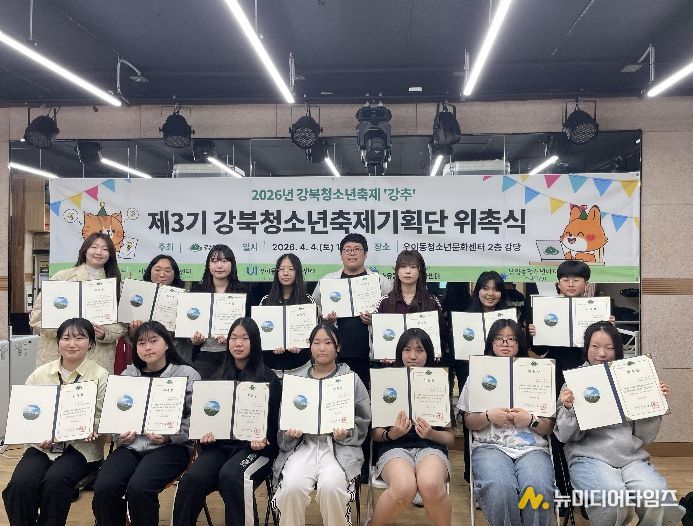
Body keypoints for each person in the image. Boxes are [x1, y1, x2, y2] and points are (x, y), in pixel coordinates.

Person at [554, 321, 685, 526]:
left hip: (630, 457)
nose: (601, 353)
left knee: (658, 497)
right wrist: (569, 408)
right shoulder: (574, 381)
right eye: (595, 346)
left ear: (618, 350)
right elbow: (563, 435)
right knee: (613, 500)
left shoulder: (631, 377)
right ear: (586, 348)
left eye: (609, 347)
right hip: (589, 457)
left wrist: (653, 401)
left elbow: (645, 436)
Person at [172, 318, 281, 526]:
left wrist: (264, 439)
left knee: (232, 476)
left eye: (244, 338)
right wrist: (205, 437)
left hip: (255, 450)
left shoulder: (269, 379)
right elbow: (208, 419)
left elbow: (275, 426)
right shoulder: (217, 377)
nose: (238, 343)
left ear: (255, 342)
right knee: (191, 479)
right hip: (220, 447)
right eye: (233, 338)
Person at [91, 321, 199, 526]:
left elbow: (196, 420)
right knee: (104, 487)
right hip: (131, 446)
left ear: (167, 344)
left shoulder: (187, 374)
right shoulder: (128, 375)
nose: (147, 347)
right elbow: (115, 416)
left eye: (153, 341)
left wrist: (170, 436)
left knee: (139, 488)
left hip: (170, 447)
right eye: (141, 343)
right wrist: (120, 434)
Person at [3, 318, 109, 526]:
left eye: (79, 338)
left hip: (81, 447)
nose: (72, 344)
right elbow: (25, 414)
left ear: (91, 343)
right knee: (20, 485)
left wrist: (91, 427)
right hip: (42, 445)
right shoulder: (41, 374)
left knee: (55, 482)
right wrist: (37, 435)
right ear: (58, 342)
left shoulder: (100, 375)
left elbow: (102, 416)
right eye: (66, 338)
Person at [457, 319, 555, 526]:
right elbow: (469, 422)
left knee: (538, 487)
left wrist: (531, 421)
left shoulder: (537, 372)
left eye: (511, 339)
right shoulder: (477, 373)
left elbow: (548, 427)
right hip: (489, 447)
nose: (505, 343)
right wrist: (487, 416)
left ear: (520, 343)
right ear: (491, 343)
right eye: (499, 338)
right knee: (500, 487)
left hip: (533, 449)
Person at [272, 322, 371, 526]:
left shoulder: (350, 379)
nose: (322, 348)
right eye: (316, 343)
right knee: (291, 486)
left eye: (328, 342)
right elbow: (284, 423)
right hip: (303, 446)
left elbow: (363, 420)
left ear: (338, 347)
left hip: (337, 448)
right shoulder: (297, 381)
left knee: (331, 487)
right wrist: (290, 433)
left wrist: (347, 433)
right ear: (310, 347)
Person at [369, 328, 454, 526]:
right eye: (407, 350)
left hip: (431, 448)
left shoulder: (438, 381)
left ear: (429, 354)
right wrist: (391, 434)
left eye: (419, 350)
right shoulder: (387, 381)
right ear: (400, 353)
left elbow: (450, 438)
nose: (413, 356)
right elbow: (375, 433)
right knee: (403, 488)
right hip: (394, 448)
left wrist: (431, 434)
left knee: (431, 484)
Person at [31, 233, 127, 372]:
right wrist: (68, 332)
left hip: (97, 358)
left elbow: (123, 324)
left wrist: (105, 333)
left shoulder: (116, 284)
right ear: (85, 250)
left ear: (110, 254)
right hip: (57, 357)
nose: (99, 252)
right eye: (94, 247)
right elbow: (37, 317)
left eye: (105, 249)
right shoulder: (62, 277)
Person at [311, 233, 392, 390]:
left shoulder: (380, 281)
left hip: (369, 354)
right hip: (337, 354)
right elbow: (314, 310)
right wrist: (326, 320)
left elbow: (392, 315)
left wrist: (376, 319)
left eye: (357, 249)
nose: (352, 253)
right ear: (341, 254)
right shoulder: (327, 281)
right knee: (338, 394)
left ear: (365, 254)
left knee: (368, 395)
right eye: (347, 250)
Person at [453, 270, 511, 481]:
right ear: (477, 290)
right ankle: (472, 474)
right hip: (471, 374)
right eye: (485, 288)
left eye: (496, 289)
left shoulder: (509, 319)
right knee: (473, 419)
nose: (490, 294)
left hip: (502, 376)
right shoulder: (465, 317)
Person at [376, 250, 447, 363]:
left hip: (424, 366)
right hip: (393, 366)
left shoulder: (432, 302)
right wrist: (383, 354)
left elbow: (442, 335)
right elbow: (378, 336)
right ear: (397, 271)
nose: (408, 271)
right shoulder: (385, 302)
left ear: (420, 271)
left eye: (413, 267)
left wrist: (436, 353)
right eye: (403, 266)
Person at [190, 244, 246, 379]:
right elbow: (190, 322)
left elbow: (249, 326)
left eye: (224, 261)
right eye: (214, 261)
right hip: (204, 355)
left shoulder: (242, 292)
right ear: (208, 265)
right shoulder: (197, 291)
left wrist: (233, 337)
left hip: (234, 355)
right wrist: (194, 339)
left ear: (232, 264)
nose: (219, 266)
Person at [125, 254, 192, 363]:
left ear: (174, 274)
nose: (162, 274)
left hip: (177, 353)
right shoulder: (137, 296)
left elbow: (190, 330)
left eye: (167, 271)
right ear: (150, 271)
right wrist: (133, 331)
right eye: (157, 270)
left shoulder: (185, 297)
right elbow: (131, 337)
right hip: (146, 355)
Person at [258, 253, 314, 374]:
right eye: (282, 269)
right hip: (271, 367)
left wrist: (302, 344)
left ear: (297, 272)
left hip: (301, 367)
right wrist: (271, 344)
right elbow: (260, 333)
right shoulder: (266, 301)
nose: (286, 273)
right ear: (277, 273)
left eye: (291, 269)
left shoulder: (307, 301)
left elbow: (314, 333)